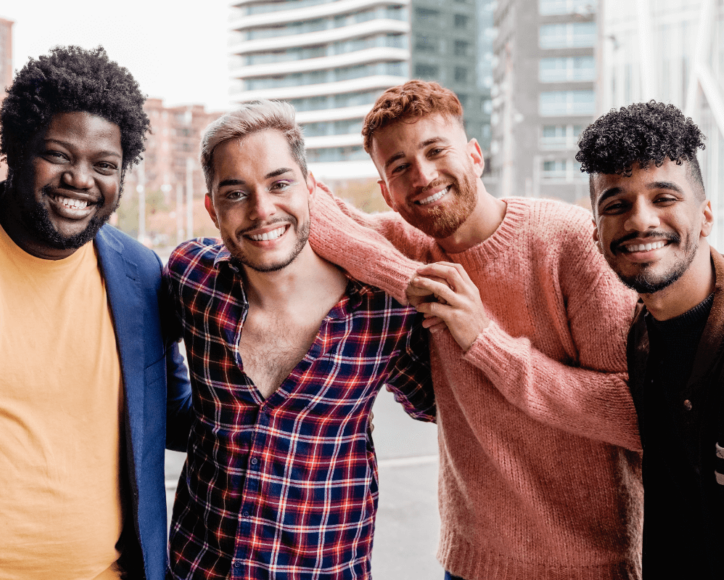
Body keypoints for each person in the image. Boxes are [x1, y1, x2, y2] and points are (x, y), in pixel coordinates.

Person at [307, 80, 644, 580]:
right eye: (399, 167)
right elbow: (309, 206)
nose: (422, 175)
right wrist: (411, 281)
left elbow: (636, 413)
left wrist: (485, 340)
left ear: (475, 155)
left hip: (590, 564)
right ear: (387, 193)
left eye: (435, 150)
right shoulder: (409, 246)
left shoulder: (569, 240)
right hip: (471, 562)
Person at [0, 46, 191, 580]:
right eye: (59, 155)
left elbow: (176, 417)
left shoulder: (143, 273)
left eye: (104, 165)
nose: (81, 180)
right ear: (14, 148)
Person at [163, 100, 436, 580]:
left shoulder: (384, 309)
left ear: (313, 190)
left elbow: (446, 408)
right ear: (212, 209)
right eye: (235, 194)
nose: (262, 210)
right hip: (196, 567)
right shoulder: (192, 279)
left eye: (279, 183)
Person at [578, 101, 721, 579]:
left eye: (663, 198)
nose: (640, 221)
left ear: (704, 216)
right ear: (596, 235)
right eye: (616, 204)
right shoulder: (637, 337)